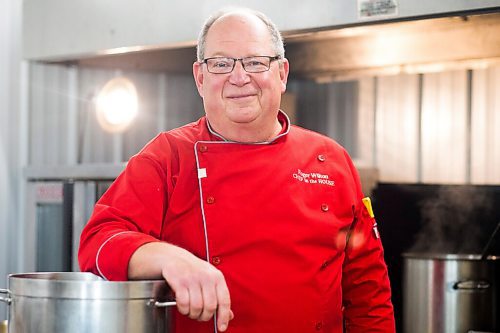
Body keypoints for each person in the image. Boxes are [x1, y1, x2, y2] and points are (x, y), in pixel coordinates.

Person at [79, 7, 395, 333]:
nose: (239, 77)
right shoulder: (167, 157)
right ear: (200, 78)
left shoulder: (332, 160)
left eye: (255, 62)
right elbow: (98, 242)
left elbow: (368, 292)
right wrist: (170, 259)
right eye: (220, 64)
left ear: (282, 73)